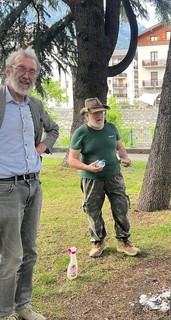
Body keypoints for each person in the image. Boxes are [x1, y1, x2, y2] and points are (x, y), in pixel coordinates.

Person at [0, 47, 59, 320]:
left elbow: (54, 129)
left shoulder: (34, 105)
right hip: (6, 189)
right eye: (21, 69)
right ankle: (4, 312)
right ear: (8, 70)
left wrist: (43, 146)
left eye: (32, 71)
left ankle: (23, 306)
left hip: (34, 186)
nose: (26, 76)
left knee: (30, 252)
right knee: (11, 256)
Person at [68, 97, 140, 258]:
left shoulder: (111, 128)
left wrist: (125, 158)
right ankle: (98, 241)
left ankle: (123, 241)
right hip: (91, 180)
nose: (100, 116)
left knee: (121, 208)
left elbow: (119, 147)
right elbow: (71, 160)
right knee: (93, 211)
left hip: (114, 177)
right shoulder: (81, 133)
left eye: (101, 112)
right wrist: (88, 168)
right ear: (87, 115)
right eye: (95, 113)